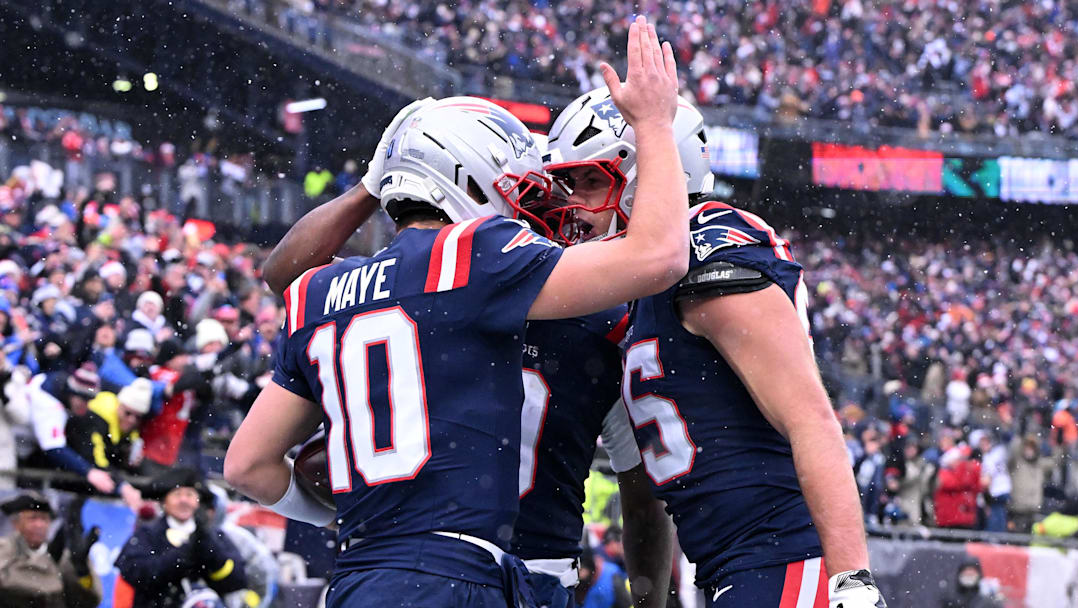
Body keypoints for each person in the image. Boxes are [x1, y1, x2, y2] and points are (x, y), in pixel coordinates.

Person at [226, 17, 687, 608]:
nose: (526, 210)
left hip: (357, 573)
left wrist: (378, 178)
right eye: (519, 191)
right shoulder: (476, 260)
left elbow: (246, 465)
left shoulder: (319, 289)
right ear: (472, 178)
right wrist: (652, 123)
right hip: (464, 573)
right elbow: (659, 254)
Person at [543, 87, 886, 606]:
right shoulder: (643, 287)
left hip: (782, 560)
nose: (577, 206)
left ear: (649, 174)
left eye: (591, 182)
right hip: (734, 566)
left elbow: (811, 417)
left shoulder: (708, 255)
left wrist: (850, 582)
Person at [115, 468, 250, 607]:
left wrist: (208, 547)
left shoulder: (215, 536)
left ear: (198, 501)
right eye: (177, 495)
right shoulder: (147, 534)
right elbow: (135, 573)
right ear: (164, 502)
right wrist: (183, 555)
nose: (183, 500)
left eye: (190, 495)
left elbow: (236, 580)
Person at [0, 493, 101, 608]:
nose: (39, 525)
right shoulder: (4, 549)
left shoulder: (62, 555)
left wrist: (81, 571)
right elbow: (7, 584)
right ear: (16, 523)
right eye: (33, 518)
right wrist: (51, 573)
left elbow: (88, 601)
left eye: (44, 519)